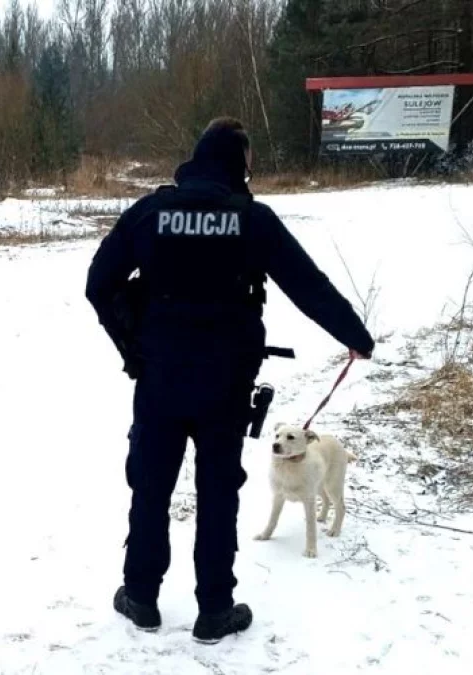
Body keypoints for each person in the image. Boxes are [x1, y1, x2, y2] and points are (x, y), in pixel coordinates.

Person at [85, 117, 375, 644]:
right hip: (225, 383)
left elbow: (97, 284)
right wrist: (355, 335)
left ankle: (141, 596)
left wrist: (132, 346)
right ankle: (215, 609)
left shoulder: (151, 213)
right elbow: (308, 285)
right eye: (251, 161)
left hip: (160, 380)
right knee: (219, 492)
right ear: (238, 162)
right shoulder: (252, 219)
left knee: (151, 486)